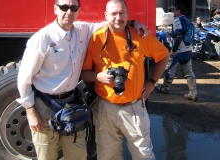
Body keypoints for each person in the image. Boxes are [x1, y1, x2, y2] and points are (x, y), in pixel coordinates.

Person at [16, 0, 148, 159]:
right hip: (45, 107)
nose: (69, 12)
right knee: (47, 156)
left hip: (72, 104)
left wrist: (132, 22)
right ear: (55, 9)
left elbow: (110, 22)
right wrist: (31, 111)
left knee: (78, 155)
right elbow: (24, 78)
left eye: (73, 8)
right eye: (64, 7)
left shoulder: (82, 30)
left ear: (78, 11)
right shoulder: (41, 39)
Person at [80, 0, 169, 159]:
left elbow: (163, 56)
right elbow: (84, 73)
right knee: (108, 156)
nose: (118, 18)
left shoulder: (140, 34)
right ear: (106, 16)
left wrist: (152, 82)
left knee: (144, 155)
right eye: (113, 14)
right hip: (105, 108)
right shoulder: (97, 38)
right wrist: (98, 77)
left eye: (122, 13)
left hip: (134, 108)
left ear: (128, 15)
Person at [155, 4, 198, 101]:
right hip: (188, 50)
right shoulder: (188, 20)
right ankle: (193, 92)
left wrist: (173, 51)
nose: (173, 12)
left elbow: (178, 37)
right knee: (188, 72)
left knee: (169, 69)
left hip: (179, 51)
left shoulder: (177, 20)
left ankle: (165, 88)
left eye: (174, 10)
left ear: (178, 11)